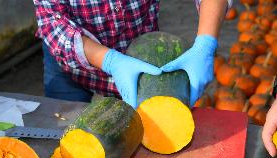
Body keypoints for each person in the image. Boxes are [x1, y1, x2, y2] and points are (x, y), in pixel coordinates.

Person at [33, 0, 232, 109]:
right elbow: (52, 21)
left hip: (142, 59)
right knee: (64, 130)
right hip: (70, 62)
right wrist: (111, 61)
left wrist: (205, 45)